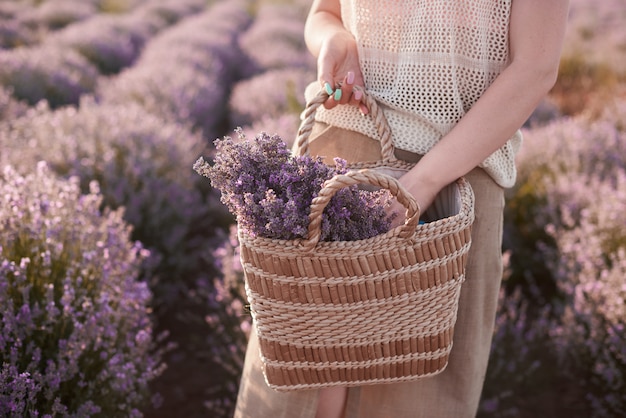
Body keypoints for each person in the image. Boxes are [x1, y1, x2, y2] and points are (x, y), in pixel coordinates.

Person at [234, 0, 570, 417]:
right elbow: (324, 13)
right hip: (341, 152)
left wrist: (421, 183)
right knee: (299, 385)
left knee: (414, 397)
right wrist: (336, 39)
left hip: (456, 181)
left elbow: (536, 66)